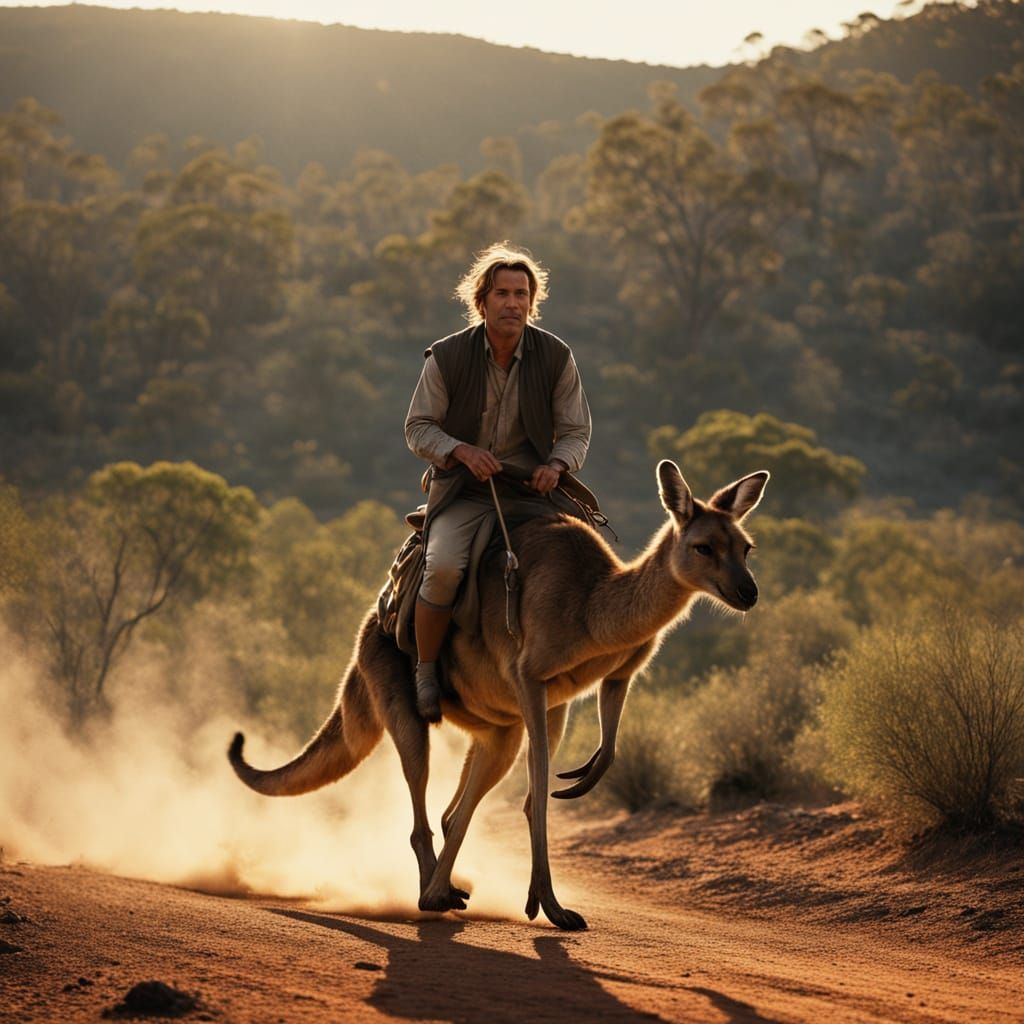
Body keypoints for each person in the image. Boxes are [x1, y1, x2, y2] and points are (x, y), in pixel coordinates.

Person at [404, 242, 592, 721]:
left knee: (586, 559)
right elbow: (418, 428)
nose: (513, 303)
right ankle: (426, 671)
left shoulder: (557, 356)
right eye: (502, 294)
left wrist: (557, 466)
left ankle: (566, 664)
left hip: (532, 493)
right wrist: (461, 451)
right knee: (443, 566)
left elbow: (576, 431)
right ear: (482, 301)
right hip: (464, 492)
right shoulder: (446, 356)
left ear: (532, 301)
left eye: (521, 294)